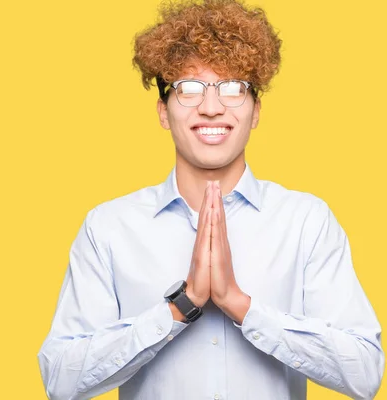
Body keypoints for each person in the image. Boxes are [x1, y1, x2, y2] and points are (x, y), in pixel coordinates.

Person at [37, 0, 384, 398]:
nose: (212, 107)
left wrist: (242, 307)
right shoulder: (109, 228)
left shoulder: (306, 222)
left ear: (256, 111)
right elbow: (60, 380)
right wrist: (180, 308)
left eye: (234, 88)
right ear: (163, 111)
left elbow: (364, 374)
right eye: (188, 88)